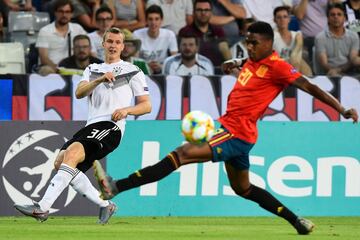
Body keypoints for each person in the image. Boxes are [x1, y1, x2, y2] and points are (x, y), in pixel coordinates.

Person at [94, 21, 358, 234]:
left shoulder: (278, 67)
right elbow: (247, 67)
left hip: (236, 131)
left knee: (181, 154)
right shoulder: (252, 62)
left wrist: (342, 108)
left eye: (254, 43)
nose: (249, 47)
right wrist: (235, 64)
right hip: (238, 133)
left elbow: (310, 87)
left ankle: (116, 186)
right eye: (247, 42)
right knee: (243, 189)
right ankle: (297, 221)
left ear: (269, 43)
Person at [14, 27, 152, 224]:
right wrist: (101, 79)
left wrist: (126, 111)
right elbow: (79, 93)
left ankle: (42, 208)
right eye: (110, 41)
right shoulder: (92, 69)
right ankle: (106, 205)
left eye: (117, 42)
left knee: (72, 153)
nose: (113, 45)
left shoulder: (132, 71)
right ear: (103, 44)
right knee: (61, 162)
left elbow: (146, 106)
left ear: (122, 46)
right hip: (92, 125)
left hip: (112, 126)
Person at [35, 0, 86, 75]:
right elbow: (44, 58)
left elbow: (88, 49)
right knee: (47, 70)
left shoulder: (78, 29)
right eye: (61, 11)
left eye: (67, 12)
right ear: (55, 13)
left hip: (73, 68)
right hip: (51, 68)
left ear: (71, 14)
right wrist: (58, 70)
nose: (64, 15)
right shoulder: (45, 31)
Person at [179, 0, 231, 67]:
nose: (203, 13)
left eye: (206, 10)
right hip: (193, 70)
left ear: (211, 12)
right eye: (199, 10)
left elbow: (225, 52)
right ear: (193, 12)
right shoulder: (185, 31)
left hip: (216, 71)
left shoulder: (218, 31)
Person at [314, 2, 360, 76]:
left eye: (339, 14)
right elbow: (324, 63)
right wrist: (334, 71)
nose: (336, 17)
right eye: (332, 15)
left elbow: (353, 58)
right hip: (329, 74)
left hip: (350, 73)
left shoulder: (354, 36)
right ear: (328, 19)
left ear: (344, 18)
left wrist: (339, 70)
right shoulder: (320, 37)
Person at [133, 4, 178, 74]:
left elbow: (175, 61)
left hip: (163, 72)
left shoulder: (169, 35)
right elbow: (134, 61)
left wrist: (161, 66)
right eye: (150, 19)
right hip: (142, 73)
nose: (153, 22)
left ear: (161, 20)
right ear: (146, 21)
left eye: (157, 19)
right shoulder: (137, 34)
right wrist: (146, 66)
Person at [273, 5, 312, 76]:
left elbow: (296, 56)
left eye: (285, 17)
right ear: (274, 20)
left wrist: (294, 57)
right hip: (278, 70)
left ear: (289, 19)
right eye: (279, 17)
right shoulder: (272, 36)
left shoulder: (297, 35)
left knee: (303, 65)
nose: (282, 19)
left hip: (294, 68)